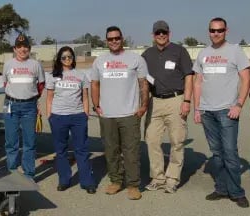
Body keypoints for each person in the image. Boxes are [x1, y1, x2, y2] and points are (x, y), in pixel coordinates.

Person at [192, 17, 250, 208]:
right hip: (207, 111)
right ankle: (221, 188)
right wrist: (197, 108)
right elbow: (198, 82)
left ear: (226, 31)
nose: (216, 33)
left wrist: (239, 105)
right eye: (212, 30)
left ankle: (236, 192)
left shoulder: (235, 51)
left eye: (219, 30)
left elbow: (246, 79)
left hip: (227, 110)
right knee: (217, 154)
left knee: (230, 153)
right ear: (208, 31)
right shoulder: (203, 53)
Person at [90, 26, 149, 200]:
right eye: (110, 39)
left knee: (131, 151)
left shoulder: (135, 59)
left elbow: (143, 83)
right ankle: (116, 181)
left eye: (117, 38)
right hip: (107, 115)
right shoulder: (99, 61)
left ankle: (133, 185)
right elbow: (94, 84)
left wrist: (143, 105)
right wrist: (96, 105)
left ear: (122, 39)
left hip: (129, 114)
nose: (114, 41)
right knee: (111, 150)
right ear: (106, 41)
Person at [141, 20, 194, 193]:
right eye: (158, 33)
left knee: (177, 141)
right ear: (153, 35)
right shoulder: (147, 54)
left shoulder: (180, 51)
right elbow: (142, 80)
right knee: (152, 139)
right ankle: (157, 177)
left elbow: (188, 76)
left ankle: (172, 179)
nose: (161, 35)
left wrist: (186, 101)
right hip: (154, 101)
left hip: (175, 100)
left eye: (164, 32)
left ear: (169, 34)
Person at [45, 46, 94, 194]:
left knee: (82, 149)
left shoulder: (81, 75)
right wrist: (50, 116)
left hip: (78, 116)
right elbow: (49, 98)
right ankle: (64, 180)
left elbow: (85, 97)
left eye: (70, 57)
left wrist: (85, 114)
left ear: (73, 58)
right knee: (61, 151)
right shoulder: (53, 76)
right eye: (64, 57)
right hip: (58, 116)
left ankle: (87, 182)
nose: (67, 59)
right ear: (59, 59)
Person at [1, 33, 45, 179]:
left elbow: (40, 85)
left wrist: (32, 98)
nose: (22, 49)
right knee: (11, 141)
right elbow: (6, 84)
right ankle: (12, 172)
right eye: (19, 47)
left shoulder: (35, 65)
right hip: (11, 105)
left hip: (29, 107)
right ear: (14, 49)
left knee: (29, 142)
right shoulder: (8, 64)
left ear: (29, 48)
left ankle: (29, 174)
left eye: (25, 46)